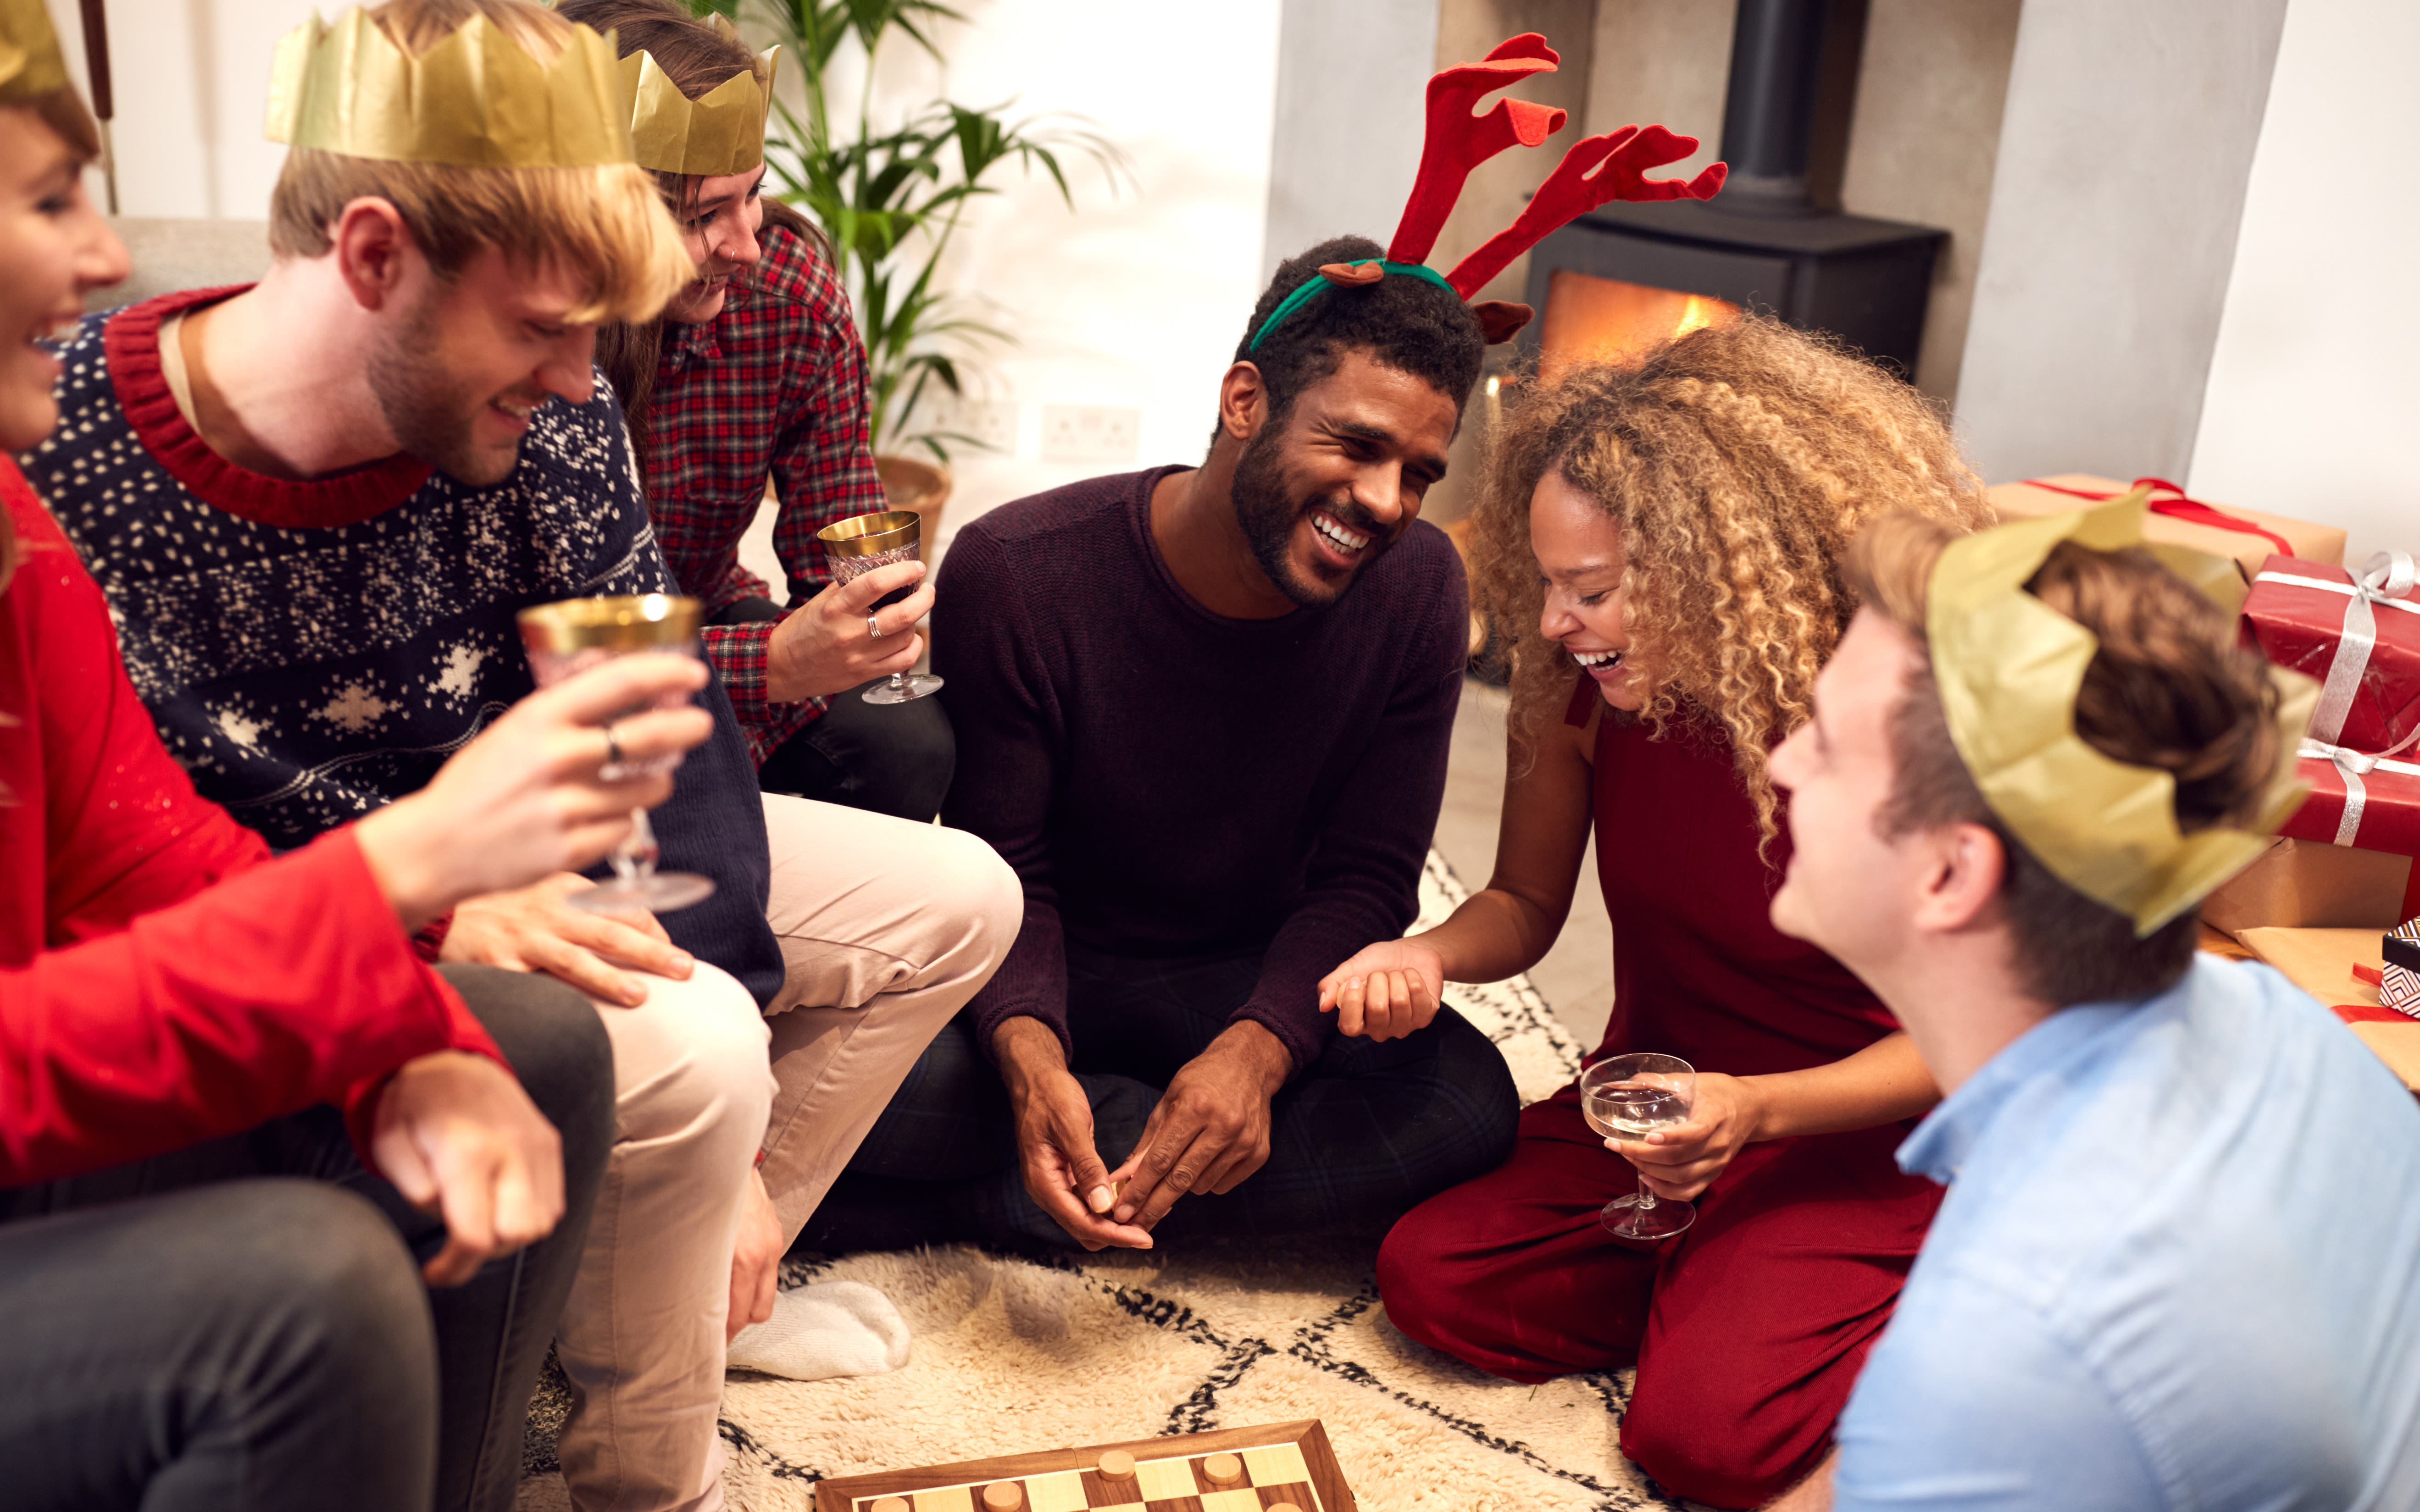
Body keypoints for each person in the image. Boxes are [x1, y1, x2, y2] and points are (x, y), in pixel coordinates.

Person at [13, 3, 1001, 1505]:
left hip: (495, 855)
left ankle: (692, 1285)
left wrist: (720, 1127)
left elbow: (651, 728)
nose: (572, 377)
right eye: (545, 330)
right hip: (383, 890)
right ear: (370, 258)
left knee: (956, 898)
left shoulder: (554, 402)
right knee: (698, 1050)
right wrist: (412, 913)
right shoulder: (61, 445)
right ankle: (646, 1468)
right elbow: (139, 862)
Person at [805, 35, 1724, 1256]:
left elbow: (1363, 879)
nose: (1388, 499)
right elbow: (1002, 868)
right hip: (1048, 968)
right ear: (1245, 402)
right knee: (843, 1084)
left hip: (1239, 973)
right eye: (1355, 444)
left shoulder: (1415, 589)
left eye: (1419, 471)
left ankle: (1004, 1201)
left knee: (1465, 1109)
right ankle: (1087, 1168)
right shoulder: (1024, 568)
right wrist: (1029, 1061)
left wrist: (1257, 1051)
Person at [0, 17, 695, 1503]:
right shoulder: (75, 466)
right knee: (297, 1297)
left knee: (529, 1042)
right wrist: (414, 863)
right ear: (376, 258)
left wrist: (402, 1038)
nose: (109, 255)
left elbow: (137, 853)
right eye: (52, 200)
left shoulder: (10, 524)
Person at [1326, 319, 1990, 1507]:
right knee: (1431, 1277)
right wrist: (1422, 954)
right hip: (1657, 1109)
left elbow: (1971, 1043)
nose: (1549, 627)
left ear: (1722, 568)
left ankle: (1905, 1281)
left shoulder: (1905, 726)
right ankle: (1728, 1281)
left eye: (1590, 591)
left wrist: (1755, 1112)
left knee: (1703, 1441)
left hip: (1858, 1129)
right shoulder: (1579, 697)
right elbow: (1527, 902)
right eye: (1544, 587)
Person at [1762, 504, 2420, 1510]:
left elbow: (2005, 1392)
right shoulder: (2282, 1021)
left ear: (1949, 871)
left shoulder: (2003, 1347)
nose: (1782, 761)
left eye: (1829, 742)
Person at [565, 0, 951, 821]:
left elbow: (839, 550)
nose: (746, 243)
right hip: (559, 666)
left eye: (753, 197)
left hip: (701, 614)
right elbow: (552, 654)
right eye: (704, 215)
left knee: (906, 741)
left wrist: (870, 624)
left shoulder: (785, 299)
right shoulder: (528, 344)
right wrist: (769, 663)